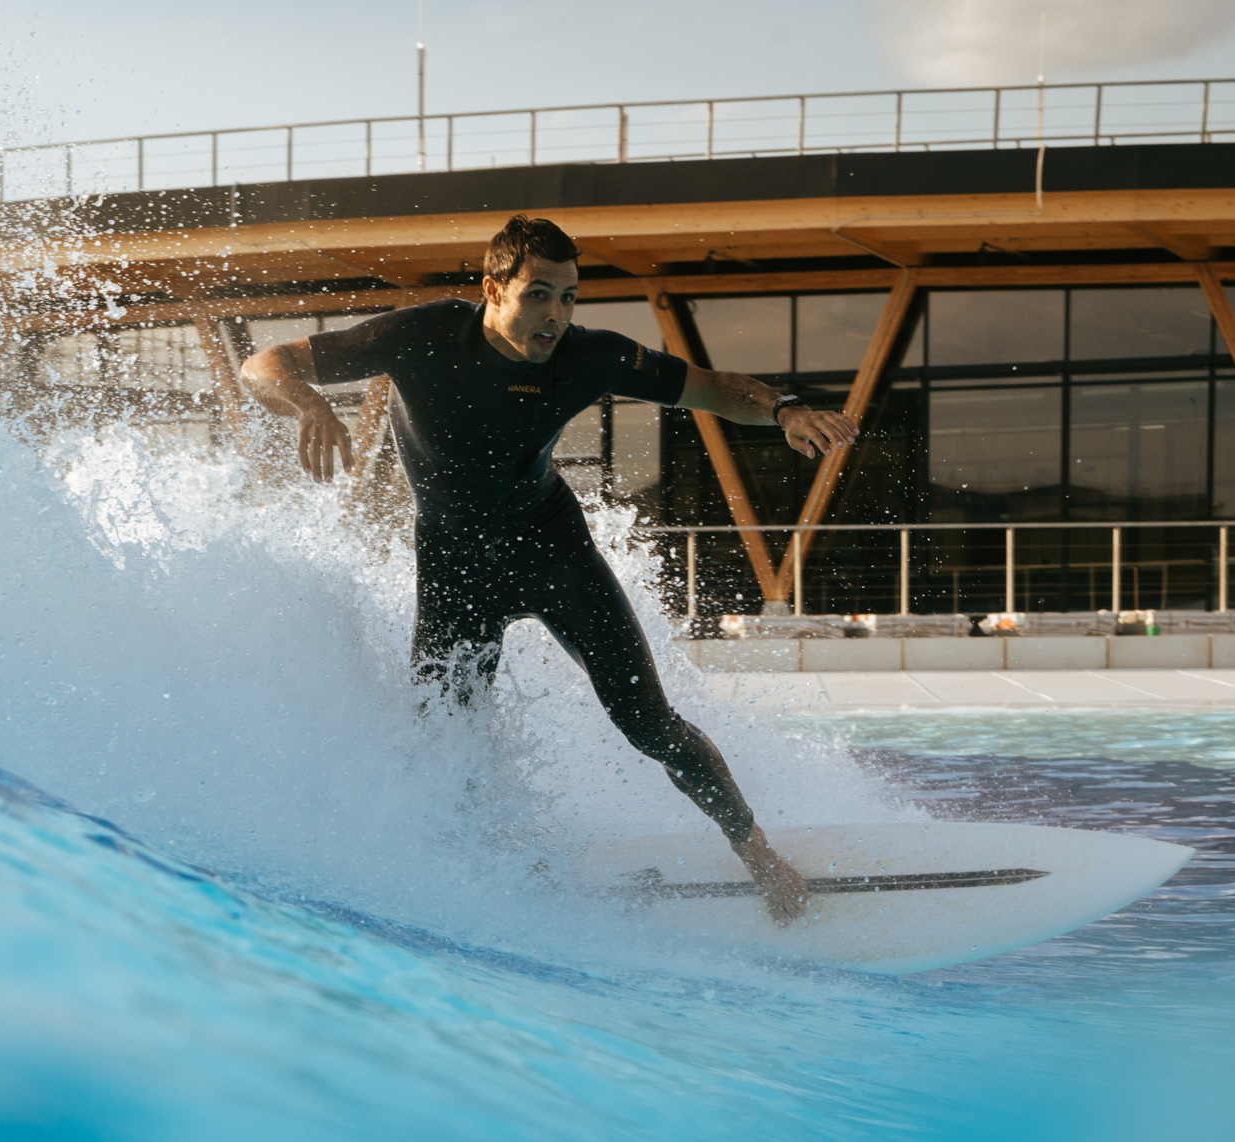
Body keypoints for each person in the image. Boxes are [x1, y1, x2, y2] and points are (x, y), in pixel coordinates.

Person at [240, 215, 858, 923]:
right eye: (538, 294)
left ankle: (760, 857)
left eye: (568, 297)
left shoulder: (586, 357)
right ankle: (477, 870)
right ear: (491, 288)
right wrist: (310, 403)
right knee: (441, 743)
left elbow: (712, 388)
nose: (556, 316)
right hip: (454, 568)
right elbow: (265, 364)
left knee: (649, 722)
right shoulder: (424, 336)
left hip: (550, 549)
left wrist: (783, 408)